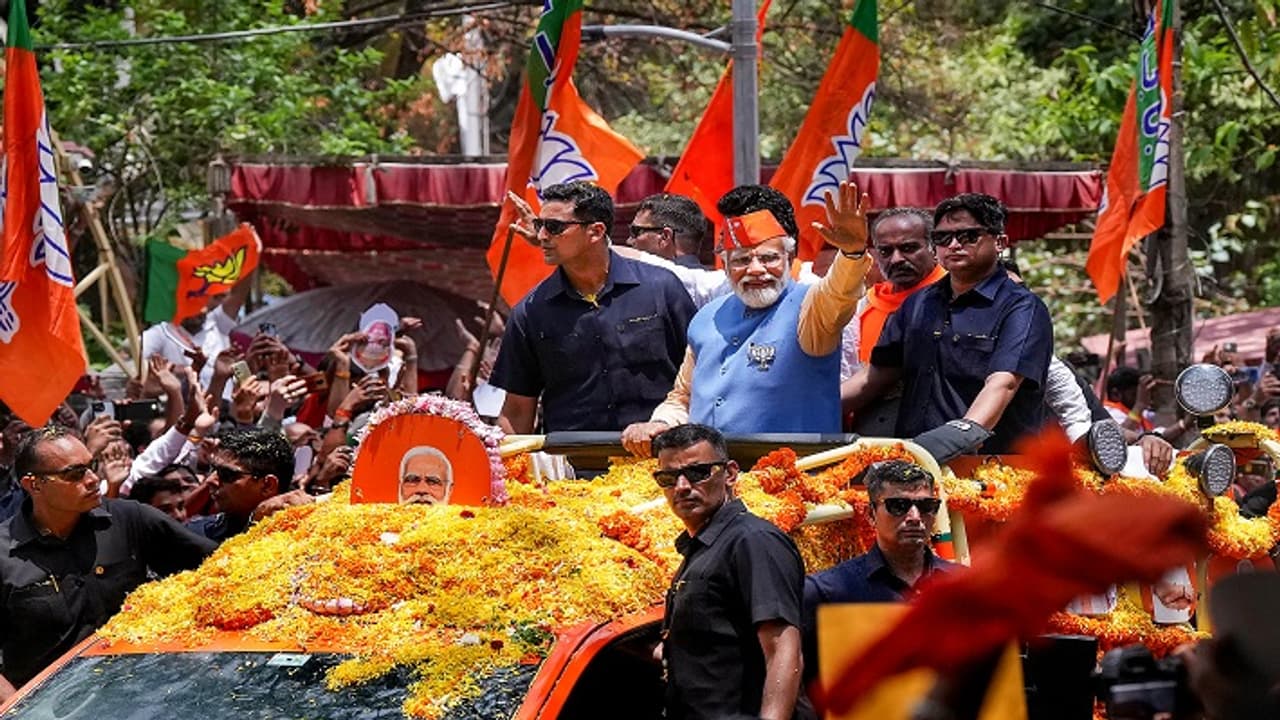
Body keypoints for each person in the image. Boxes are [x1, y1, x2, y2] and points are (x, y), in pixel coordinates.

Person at [621, 183, 870, 449]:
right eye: (741, 260)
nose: (756, 270)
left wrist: (852, 253)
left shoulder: (811, 307)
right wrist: (661, 423)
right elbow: (683, 397)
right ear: (725, 266)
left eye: (769, 258)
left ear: (789, 258)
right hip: (712, 480)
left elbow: (840, 291)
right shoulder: (708, 316)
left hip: (792, 479)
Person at [0, 426, 215, 694]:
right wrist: (18, 710)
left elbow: (224, 567)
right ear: (34, 485)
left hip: (145, 698)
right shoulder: (3, 553)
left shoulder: (131, 520)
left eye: (93, 466)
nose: (92, 479)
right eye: (75, 474)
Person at [842, 193, 1054, 458]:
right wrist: (807, 409)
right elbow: (875, 377)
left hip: (992, 469)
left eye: (968, 236)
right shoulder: (918, 303)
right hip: (916, 469)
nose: (953, 245)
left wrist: (955, 438)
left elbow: (1003, 384)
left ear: (1000, 242)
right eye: (942, 238)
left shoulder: (1023, 307)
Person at [489, 181, 696, 433]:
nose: (542, 236)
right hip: (572, 466)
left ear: (596, 231)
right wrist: (509, 468)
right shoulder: (530, 311)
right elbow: (517, 409)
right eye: (539, 225)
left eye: (554, 227)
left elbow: (699, 375)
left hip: (659, 459)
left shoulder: (661, 288)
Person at [653, 423, 805, 720]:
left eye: (697, 473)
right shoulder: (701, 546)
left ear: (731, 474)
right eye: (669, 477)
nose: (682, 486)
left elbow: (783, 649)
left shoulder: (753, 540)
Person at [801, 460, 960, 682]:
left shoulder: (966, 586)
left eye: (926, 506)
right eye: (898, 506)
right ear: (871, 514)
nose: (915, 517)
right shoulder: (827, 592)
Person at [140, 270, 252, 387]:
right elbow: (135, 357)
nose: (198, 309)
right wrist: (168, 371)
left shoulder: (218, 323)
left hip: (225, 402)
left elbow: (238, 294)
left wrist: (252, 256)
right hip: (186, 403)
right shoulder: (162, 332)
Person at [186, 427, 294, 543]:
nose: (210, 480)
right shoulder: (196, 535)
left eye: (226, 474)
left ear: (268, 485)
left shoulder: (304, 539)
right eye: (213, 469)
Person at [627, 193, 708, 268]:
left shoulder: (654, 281)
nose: (629, 241)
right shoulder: (715, 280)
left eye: (635, 231)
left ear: (665, 237)